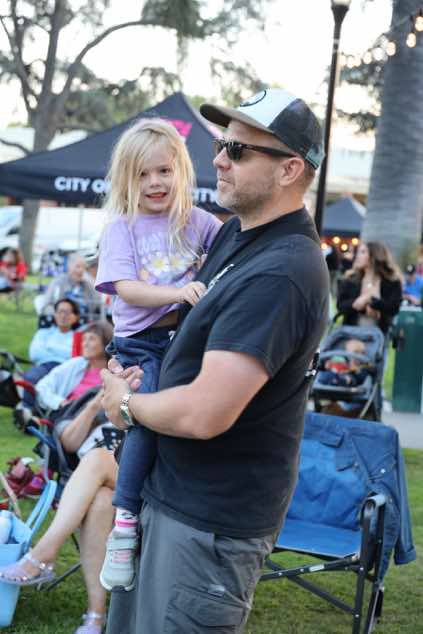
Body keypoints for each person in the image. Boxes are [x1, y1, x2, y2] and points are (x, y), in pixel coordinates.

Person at [101, 88, 329, 634]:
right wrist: (134, 374)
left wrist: (126, 403)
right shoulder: (235, 236)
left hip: (208, 523)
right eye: (221, 145)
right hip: (171, 495)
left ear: (289, 169)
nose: (220, 160)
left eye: (239, 150)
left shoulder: (281, 271)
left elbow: (206, 412)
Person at [94, 117, 222, 592]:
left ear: (181, 171)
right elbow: (126, 289)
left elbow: (233, 248)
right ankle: (124, 521)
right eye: (143, 174)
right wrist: (178, 293)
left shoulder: (198, 221)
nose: (155, 182)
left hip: (184, 339)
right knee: (146, 416)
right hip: (141, 344)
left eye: (164, 171)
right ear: (127, 179)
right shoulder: (122, 228)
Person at [0, 321, 126, 634]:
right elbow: (68, 443)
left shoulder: (131, 381)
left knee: (98, 458)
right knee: (100, 502)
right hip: (98, 476)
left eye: (93, 338)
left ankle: (43, 554)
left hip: (131, 470)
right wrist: (92, 406)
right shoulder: (81, 377)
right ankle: (96, 616)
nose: (86, 343)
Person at [18, 299, 81, 409]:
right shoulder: (43, 333)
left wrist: (50, 349)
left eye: (67, 312)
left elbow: (76, 356)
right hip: (45, 366)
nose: (63, 316)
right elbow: (35, 354)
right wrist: (64, 351)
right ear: (55, 315)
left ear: (76, 317)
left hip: (67, 369)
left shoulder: (79, 337)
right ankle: (28, 410)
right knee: (31, 378)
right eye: (60, 312)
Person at [337, 241, 402, 335]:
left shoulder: (392, 281)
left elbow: (394, 308)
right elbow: (340, 305)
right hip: (351, 332)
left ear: (374, 256)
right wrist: (357, 304)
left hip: (378, 334)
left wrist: (372, 301)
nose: (358, 256)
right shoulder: (351, 279)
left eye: (363, 252)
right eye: (359, 252)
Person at [38, 253, 101, 318]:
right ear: (69, 267)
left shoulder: (87, 285)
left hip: (86, 320)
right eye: (78, 266)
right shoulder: (58, 282)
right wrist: (59, 317)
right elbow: (47, 305)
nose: (81, 270)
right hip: (63, 320)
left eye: (84, 267)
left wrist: (90, 282)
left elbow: (98, 303)